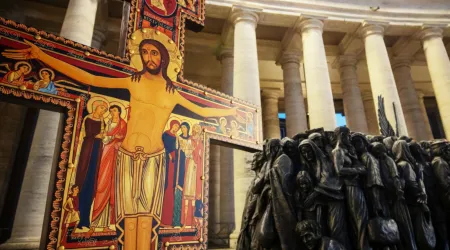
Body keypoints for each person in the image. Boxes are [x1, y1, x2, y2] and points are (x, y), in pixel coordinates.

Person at [3, 38, 237, 250]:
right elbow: (91, 79)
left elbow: (203, 110)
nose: (149, 58)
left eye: (154, 53)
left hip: (154, 158)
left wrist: (234, 111)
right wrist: (42, 56)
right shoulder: (132, 81)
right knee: (129, 218)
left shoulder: (171, 92)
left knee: (146, 219)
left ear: (163, 58)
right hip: (125, 155)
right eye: (144, 52)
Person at [89, 104, 127, 234]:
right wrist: (108, 138)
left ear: (120, 111)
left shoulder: (123, 124)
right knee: (102, 184)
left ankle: (107, 224)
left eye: (114, 110)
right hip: (106, 151)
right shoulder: (108, 122)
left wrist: (116, 139)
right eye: (111, 111)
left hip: (116, 154)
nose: (112, 113)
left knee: (113, 186)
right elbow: (104, 136)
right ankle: (95, 222)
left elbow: (124, 138)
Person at [332, 126, 370, 250]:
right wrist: (357, 170)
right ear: (342, 136)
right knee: (360, 219)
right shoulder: (338, 151)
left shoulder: (348, 151)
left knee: (361, 218)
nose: (350, 138)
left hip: (356, 186)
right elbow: (339, 170)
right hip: (350, 188)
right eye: (348, 136)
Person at [75, 100, 107, 230]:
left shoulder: (103, 122)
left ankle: (86, 220)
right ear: (95, 107)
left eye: (104, 110)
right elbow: (86, 133)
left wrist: (103, 136)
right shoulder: (88, 118)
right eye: (101, 108)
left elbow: (103, 135)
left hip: (97, 151)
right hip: (87, 149)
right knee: (83, 179)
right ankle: (79, 218)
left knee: (92, 183)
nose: (102, 111)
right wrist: (96, 136)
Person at [181, 124, 203, 228]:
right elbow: (187, 152)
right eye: (195, 129)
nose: (196, 130)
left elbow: (202, 154)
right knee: (189, 189)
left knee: (195, 191)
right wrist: (192, 152)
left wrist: (198, 155)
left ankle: (195, 220)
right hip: (190, 165)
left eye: (198, 129)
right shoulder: (190, 140)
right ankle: (186, 221)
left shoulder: (201, 142)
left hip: (198, 167)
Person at [161, 119, 181, 227]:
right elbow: (162, 145)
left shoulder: (177, 137)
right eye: (175, 126)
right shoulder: (166, 134)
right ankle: (162, 219)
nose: (176, 128)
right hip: (167, 160)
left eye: (178, 127)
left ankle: (169, 219)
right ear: (171, 125)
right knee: (166, 184)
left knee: (172, 186)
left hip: (174, 163)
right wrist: (168, 154)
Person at [173, 122, 193, 227]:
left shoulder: (191, 138)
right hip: (180, 164)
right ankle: (176, 221)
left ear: (188, 128)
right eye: (182, 127)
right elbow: (176, 149)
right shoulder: (178, 137)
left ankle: (186, 221)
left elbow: (190, 152)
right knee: (179, 187)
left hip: (188, 165)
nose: (183, 129)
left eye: (185, 127)